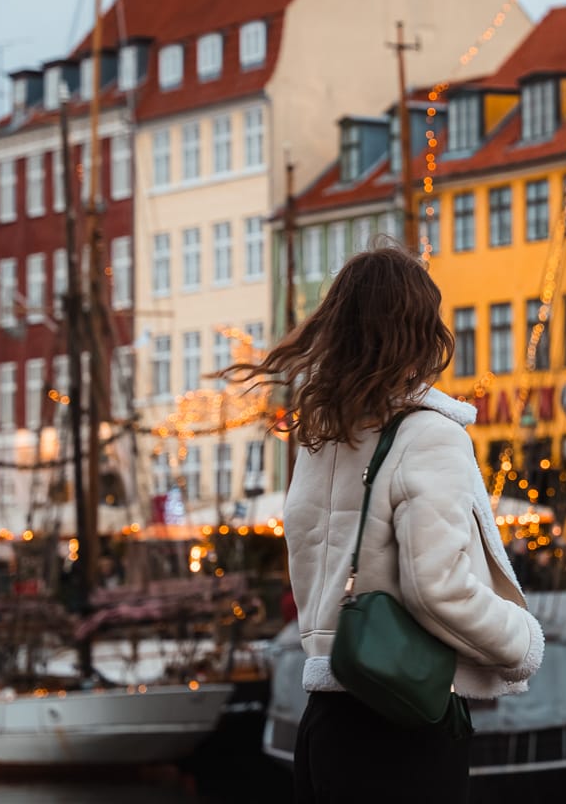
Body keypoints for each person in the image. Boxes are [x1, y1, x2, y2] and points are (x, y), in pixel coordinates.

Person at [229, 245, 543, 803]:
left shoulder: (320, 437)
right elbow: (436, 587)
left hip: (326, 720)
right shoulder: (429, 434)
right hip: (402, 721)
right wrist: (522, 641)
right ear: (423, 331)